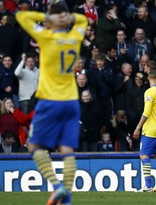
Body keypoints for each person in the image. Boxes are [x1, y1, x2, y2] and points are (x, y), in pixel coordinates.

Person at [16, 2, 88, 205]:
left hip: (49, 101)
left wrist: (48, 18)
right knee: (67, 150)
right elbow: (83, 20)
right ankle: (67, 199)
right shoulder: (75, 37)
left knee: (34, 145)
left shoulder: (46, 37)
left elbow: (22, 17)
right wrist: (69, 18)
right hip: (72, 102)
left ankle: (56, 187)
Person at [133, 69, 156, 192]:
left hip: (150, 129)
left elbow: (146, 112)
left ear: (149, 78)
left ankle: (148, 185)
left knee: (143, 155)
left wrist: (138, 128)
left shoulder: (149, 92)